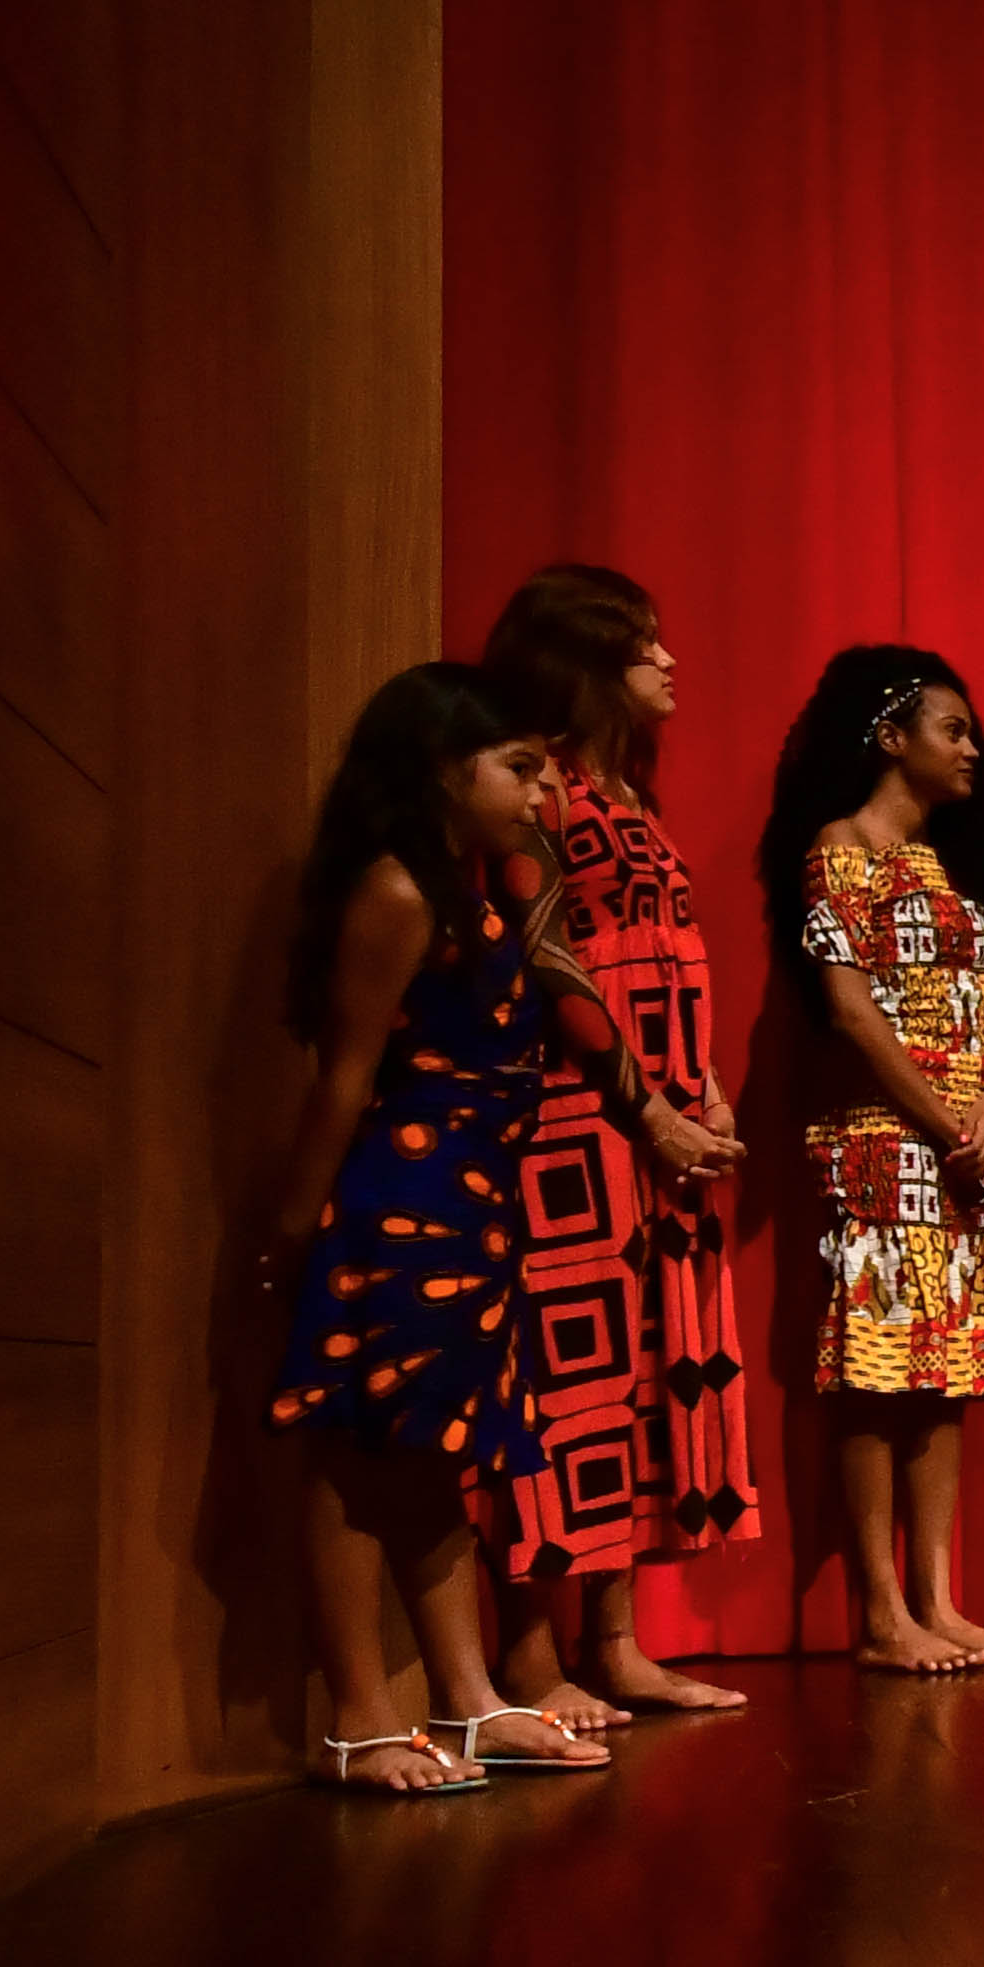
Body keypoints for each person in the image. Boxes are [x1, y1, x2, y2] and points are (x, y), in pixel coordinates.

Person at [262, 664, 611, 1789]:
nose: (542, 791)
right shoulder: (400, 891)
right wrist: (295, 1230)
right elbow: (346, 1077)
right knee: (358, 1445)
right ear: (441, 769)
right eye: (519, 768)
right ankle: (360, 1719)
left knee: (437, 1449)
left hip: (469, 1209)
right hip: (401, 1205)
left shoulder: (470, 890)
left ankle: (468, 1702)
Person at [479, 565, 754, 1724]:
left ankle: (617, 1639)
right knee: (565, 1375)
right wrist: (649, 1108)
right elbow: (550, 958)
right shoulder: (535, 787)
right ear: (587, 659)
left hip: (668, 1120)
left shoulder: (633, 793)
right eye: (645, 644)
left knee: (648, 1370)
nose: (669, 661)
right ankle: (529, 1654)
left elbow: (666, 945)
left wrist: (708, 1091)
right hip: (577, 1118)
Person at [763, 645, 984, 1671]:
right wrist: (944, 1122)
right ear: (891, 737)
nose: (973, 750)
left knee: (946, 1371)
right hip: (884, 1139)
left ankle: (938, 1597)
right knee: (879, 1372)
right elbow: (849, 1010)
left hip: (964, 1145)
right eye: (953, 730)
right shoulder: (840, 850)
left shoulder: (954, 864)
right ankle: (882, 1614)